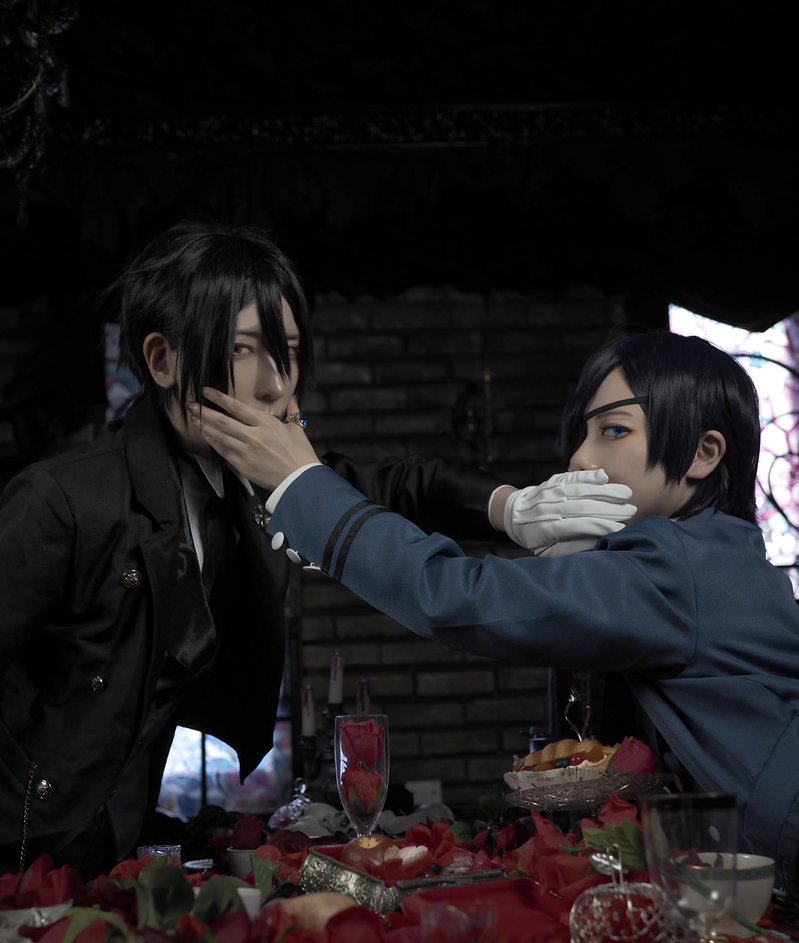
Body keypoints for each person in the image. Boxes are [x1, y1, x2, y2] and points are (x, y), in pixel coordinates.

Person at [0, 217, 635, 879]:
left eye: (289, 351)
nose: (276, 384)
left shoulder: (244, 481)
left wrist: (511, 506)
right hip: (21, 841)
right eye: (241, 349)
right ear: (163, 361)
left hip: (107, 849)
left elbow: (391, 483)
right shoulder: (62, 501)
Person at [190, 328, 799, 903]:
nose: (580, 457)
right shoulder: (716, 554)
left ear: (703, 453)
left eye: (613, 430)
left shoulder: (677, 566)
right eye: (583, 434)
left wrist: (303, 488)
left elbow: (455, 595)